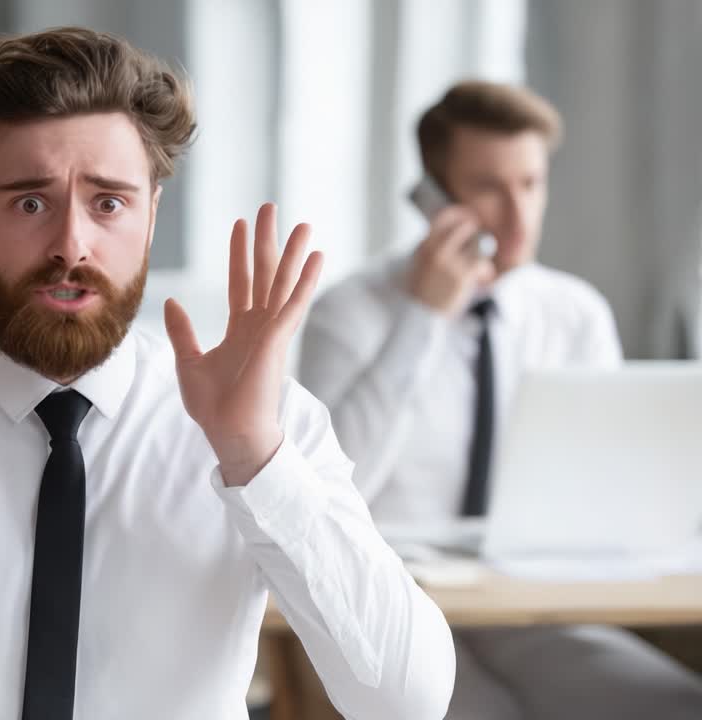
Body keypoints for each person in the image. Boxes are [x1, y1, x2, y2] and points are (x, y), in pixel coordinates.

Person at [0, 28, 453, 720]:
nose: (71, 245)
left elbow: (406, 702)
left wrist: (254, 456)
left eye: (109, 202)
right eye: (30, 202)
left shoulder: (267, 424)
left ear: (150, 217)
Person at [300, 80, 702, 719]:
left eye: (531, 184)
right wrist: (422, 320)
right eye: (489, 187)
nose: (518, 217)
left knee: (673, 703)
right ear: (435, 197)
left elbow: (609, 490)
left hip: (524, 606)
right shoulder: (349, 314)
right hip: (391, 608)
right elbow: (327, 488)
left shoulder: (573, 314)